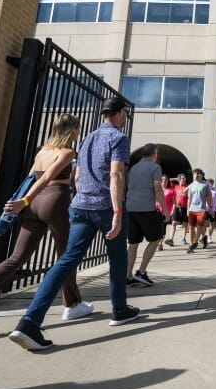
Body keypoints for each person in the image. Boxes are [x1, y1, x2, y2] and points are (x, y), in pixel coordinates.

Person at [8, 96, 140, 351]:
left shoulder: (87, 138)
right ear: (121, 113)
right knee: (117, 258)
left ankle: (29, 321)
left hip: (80, 206)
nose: (125, 118)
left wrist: (84, 196)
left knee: (66, 260)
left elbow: (78, 176)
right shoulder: (119, 139)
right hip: (103, 207)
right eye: (125, 114)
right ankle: (119, 310)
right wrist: (117, 211)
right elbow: (116, 175)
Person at [0, 114, 91, 340]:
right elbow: (46, 179)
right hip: (54, 201)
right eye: (77, 129)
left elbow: (31, 178)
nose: (78, 132)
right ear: (72, 129)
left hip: (33, 205)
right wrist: (24, 201)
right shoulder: (67, 152)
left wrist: (26, 201)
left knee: (16, 259)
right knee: (67, 255)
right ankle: (72, 305)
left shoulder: (42, 151)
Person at [125, 143, 169, 288]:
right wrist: (166, 210)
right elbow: (157, 188)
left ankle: (128, 276)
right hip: (146, 208)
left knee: (133, 243)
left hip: (131, 208)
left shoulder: (133, 168)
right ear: (154, 154)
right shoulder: (155, 167)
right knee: (156, 238)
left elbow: (129, 185)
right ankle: (142, 272)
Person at [185, 168, 212, 253]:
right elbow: (189, 198)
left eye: (198, 174)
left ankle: (195, 242)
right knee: (191, 227)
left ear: (202, 175)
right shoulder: (191, 185)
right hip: (192, 209)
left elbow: (208, 197)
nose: (196, 175)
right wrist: (187, 209)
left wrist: (211, 208)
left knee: (200, 226)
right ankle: (191, 244)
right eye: (195, 174)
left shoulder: (205, 184)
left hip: (201, 209)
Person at [165, 173, 188, 246]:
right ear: (178, 180)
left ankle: (184, 238)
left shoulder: (187, 186)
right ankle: (171, 239)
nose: (183, 180)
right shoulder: (175, 186)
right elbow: (168, 180)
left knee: (185, 224)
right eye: (181, 178)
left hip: (185, 207)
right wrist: (176, 178)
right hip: (176, 207)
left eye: (184, 178)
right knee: (174, 223)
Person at [205, 177, 216, 244]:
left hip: (214, 209)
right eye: (209, 183)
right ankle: (203, 236)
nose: (211, 184)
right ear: (207, 183)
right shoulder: (205, 190)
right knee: (204, 224)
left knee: (213, 224)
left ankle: (209, 237)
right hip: (205, 209)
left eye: (212, 183)